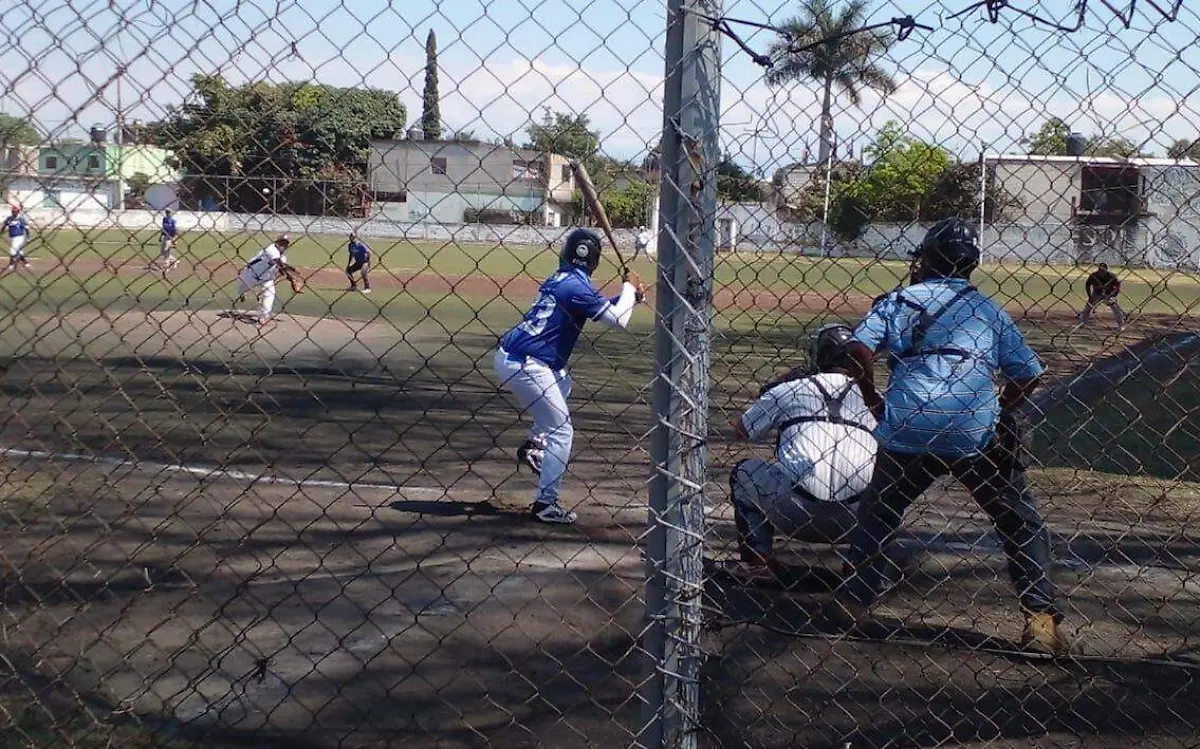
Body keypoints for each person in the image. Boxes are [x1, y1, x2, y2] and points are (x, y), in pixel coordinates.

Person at [833, 216, 1073, 656]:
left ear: (926, 259)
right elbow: (1028, 374)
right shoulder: (988, 310)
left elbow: (857, 350)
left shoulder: (899, 300)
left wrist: (871, 396)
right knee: (1018, 522)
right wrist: (1000, 409)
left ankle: (855, 604)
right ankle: (1040, 623)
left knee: (879, 512)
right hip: (973, 430)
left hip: (908, 426)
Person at [493, 228, 646, 524]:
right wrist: (628, 287)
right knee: (562, 431)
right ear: (595, 261)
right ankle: (546, 504)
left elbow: (600, 308)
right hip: (528, 364)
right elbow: (619, 320)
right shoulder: (577, 286)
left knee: (562, 381)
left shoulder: (564, 279)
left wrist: (630, 297)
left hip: (520, 358)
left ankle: (536, 446)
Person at [720, 324, 878, 583]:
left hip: (794, 511)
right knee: (891, 483)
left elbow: (742, 430)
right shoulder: (874, 398)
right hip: (858, 518)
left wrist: (779, 385)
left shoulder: (791, 388)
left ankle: (758, 562)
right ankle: (860, 566)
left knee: (744, 472)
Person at [234, 234, 300, 326]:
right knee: (240, 290)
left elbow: (282, 270)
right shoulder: (271, 249)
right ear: (276, 242)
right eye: (281, 243)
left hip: (267, 279)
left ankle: (264, 317)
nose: (283, 245)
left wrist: (292, 280)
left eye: (285, 244)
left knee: (270, 295)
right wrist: (293, 269)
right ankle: (242, 294)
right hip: (251, 274)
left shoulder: (283, 257)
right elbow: (279, 263)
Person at [1078, 262, 1125, 330]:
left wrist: (1113, 296)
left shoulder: (1112, 276)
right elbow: (1087, 284)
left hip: (1109, 294)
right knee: (1088, 307)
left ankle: (1121, 325)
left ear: (1106, 269)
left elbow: (1117, 287)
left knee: (1115, 308)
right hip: (1097, 293)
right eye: (1100, 269)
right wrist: (1090, 296)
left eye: (1103, 270)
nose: (1101, 271)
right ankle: (1082, 322)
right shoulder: (1094, 275)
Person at [2, 206, 31, 273]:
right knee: (19, 251)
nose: (14, 213)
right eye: (13, 211)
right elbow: (4, 225)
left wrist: (28, 237)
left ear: (18, 212)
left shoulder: (21, 219)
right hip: (12, 237)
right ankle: (25, 263)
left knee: (12, 250)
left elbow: (26, 228)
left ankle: (11, 264)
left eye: (16, 212)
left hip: (19, 237)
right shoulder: (9, 218)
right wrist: (2, 232)